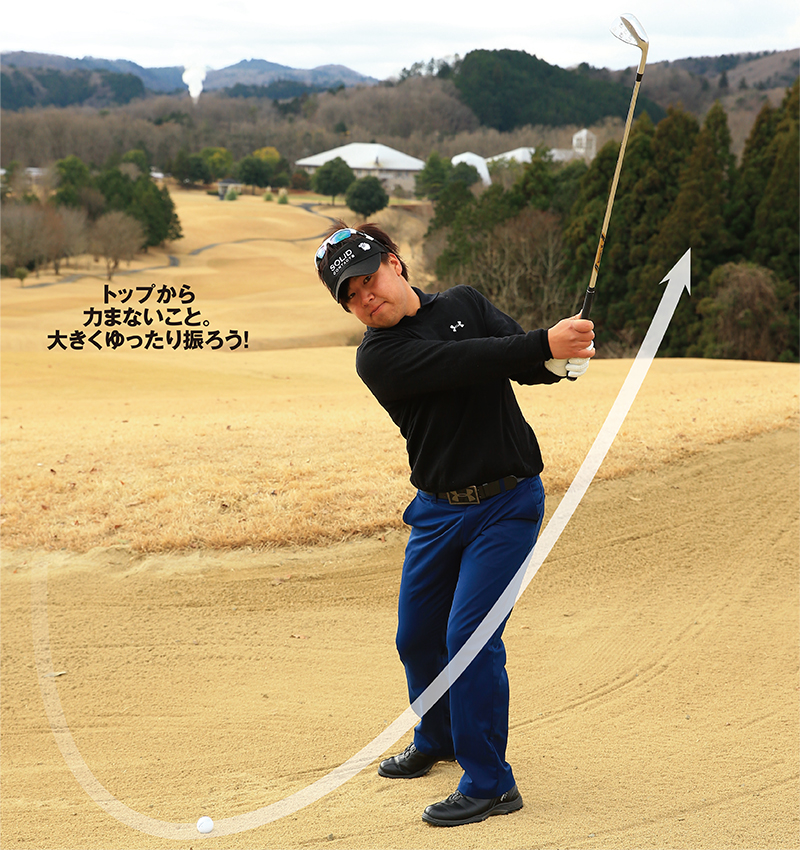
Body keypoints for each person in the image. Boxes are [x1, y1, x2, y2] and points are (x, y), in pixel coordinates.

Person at [314, 222, 595, 827]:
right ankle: (438, 737)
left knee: (469, 639)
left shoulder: (465, 302)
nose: (365, 297)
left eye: (368, 279)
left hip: (507, 504)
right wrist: (541, 342)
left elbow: (523, 362)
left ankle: (491, 783)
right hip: (437, 512)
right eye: (350, 295)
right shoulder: (378, 357)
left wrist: (562, 357)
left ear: (395, 263)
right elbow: (464, 362)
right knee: (417, 638)